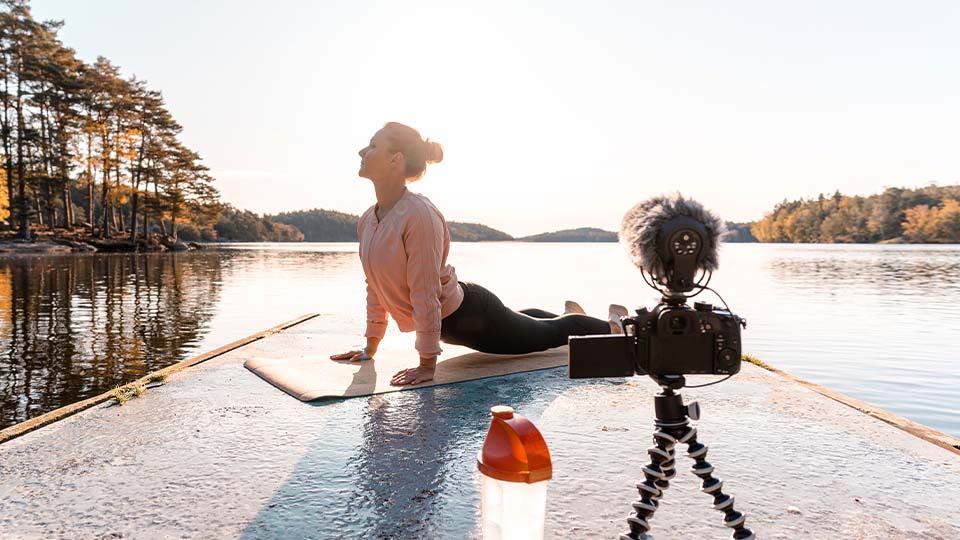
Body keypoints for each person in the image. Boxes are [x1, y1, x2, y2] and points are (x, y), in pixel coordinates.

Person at [330, 122, 624, 386]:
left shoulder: (419, 215)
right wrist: (370, 347)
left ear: (396, 158)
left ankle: (615, 326)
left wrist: (426, 365)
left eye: (372, 146)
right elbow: (375, 287)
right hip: (455, 320)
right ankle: (571, 316)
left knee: (548, 335)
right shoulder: (369, 220)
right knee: (526, 323)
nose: (361, 152)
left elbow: (425, 291)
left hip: (471, 316)